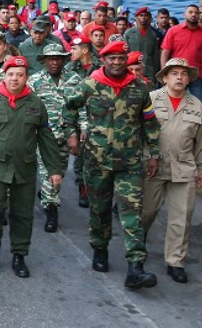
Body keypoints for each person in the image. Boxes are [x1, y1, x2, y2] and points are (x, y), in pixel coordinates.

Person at [64, 41, 161, 290]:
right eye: (112, 58)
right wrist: (72, 135)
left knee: (132, 212)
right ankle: (100, 248)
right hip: (97, 161)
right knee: (100, 209)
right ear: (104, 60)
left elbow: (150, 122)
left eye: (121, 58)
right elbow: (69, 108)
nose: (117, 62)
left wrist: (154, 154)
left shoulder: (139, 88)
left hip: (130, 161)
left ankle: (136, 267)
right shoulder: (91, 84)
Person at [0, 56, 63, 279]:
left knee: (22, 214)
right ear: (4, 76)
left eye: (20, 75)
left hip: (24, 168)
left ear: (26, 78)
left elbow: (46, 138)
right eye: (11, 74)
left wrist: (54, 169)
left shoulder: (35, 103)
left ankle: (19, 254)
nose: (15, 79)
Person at [142, 58, 202, 283]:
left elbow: (200, 143)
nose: (179, 77)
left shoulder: (197, 105)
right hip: (153, 166)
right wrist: (144, 158)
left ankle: (175, 261)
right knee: (146, 212)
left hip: (184, 167)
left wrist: (200, 169)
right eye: (174, 73)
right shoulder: (150, 100)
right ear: (164, 77)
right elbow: (140, 131)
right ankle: (138, 245)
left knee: (181, 217)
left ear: (189, 79)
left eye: (184, 74)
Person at [28, 44, 85, 233]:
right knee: (47, 174)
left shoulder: (75, 80)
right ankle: (51, 210)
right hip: (43, 137)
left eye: (58, 58)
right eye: (50, 58)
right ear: (44, 60)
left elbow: (82, 107)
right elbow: (29, 109)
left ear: (64, 60)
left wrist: (82, 130)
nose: (54, 62)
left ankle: (47, 194)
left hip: (67, 135)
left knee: (59, 173)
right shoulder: (35, 81)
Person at [161, 5, 202, 102]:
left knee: (197, 104)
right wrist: (164, 72)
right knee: (173, 102)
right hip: (176, 74)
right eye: (190, 12)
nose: (193, 15)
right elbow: (165, 52)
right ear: (184, 15)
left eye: (196, 13)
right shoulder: (174, 31)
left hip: (197, 76)